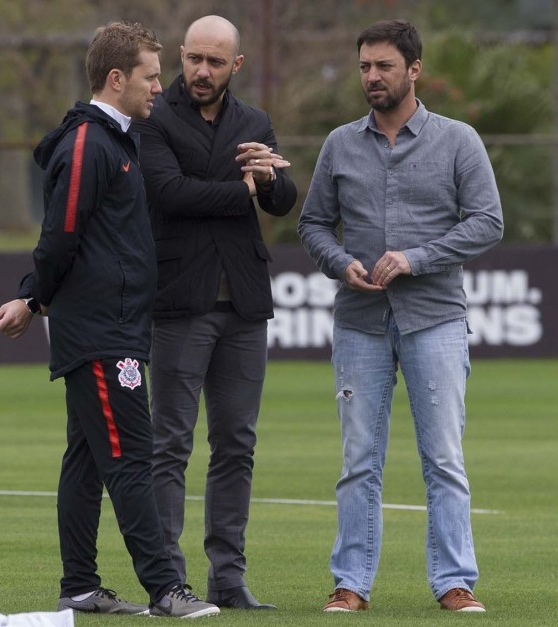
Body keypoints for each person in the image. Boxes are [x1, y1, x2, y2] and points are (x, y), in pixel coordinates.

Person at [0, 21, 219, 620]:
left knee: (87, 460)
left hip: (114, 329)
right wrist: (33, 297)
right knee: (132, 456)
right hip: (101, 335)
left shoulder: (117, 141)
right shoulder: (90, 144)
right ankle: (167, 589)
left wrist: (35, 299)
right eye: (150, 77)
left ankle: (80, 589)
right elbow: (60, 236)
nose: (158, 88)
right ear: (116, 79)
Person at [297, 19, 503, 614]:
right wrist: (341, 264)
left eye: (383, 66)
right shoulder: (339, 143)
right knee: (358, 460)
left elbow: (487, 221)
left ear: (414, 70)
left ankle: (454, 582)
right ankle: (351, 584)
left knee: (444, 458)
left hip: (435, 318)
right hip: (358, 320)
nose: (372, 77)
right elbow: (312, 224)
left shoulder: (459, 140)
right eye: (364, 66)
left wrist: (415, 258)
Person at [128, 14, 297, 610]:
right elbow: (168, 194)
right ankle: (167, 579)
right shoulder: (153, 117)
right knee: (170, 443)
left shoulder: (253, 122)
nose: (201, 72)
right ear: (181, 54)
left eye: (215, 62)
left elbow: (280, 199)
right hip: (179, 302)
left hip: (244, 304)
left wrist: (270, 176)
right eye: (194, 59)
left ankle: (229, 579)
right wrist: (242, 187)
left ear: (236, 66)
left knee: (237, 444)